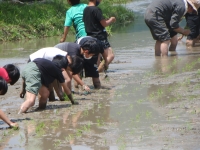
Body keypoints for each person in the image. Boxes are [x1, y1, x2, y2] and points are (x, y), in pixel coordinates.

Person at [19, 56, 83, 114]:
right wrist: (72, 101)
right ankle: (20, 114)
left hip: (28, 67)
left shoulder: (49, 64)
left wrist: (23, 90)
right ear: (63, 68)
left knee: (45, 93)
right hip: (34, 72)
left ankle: (41, 109)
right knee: (31, 101)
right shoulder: (58, 71)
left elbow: (27, 74)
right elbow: (66, 89)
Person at [83, 0, 115, 71]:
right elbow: (104, 24)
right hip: (100, 36)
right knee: (110, 55)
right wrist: (111, 19)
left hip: (90, 37)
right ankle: (100, 70)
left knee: (97, 58)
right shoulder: (96, 10)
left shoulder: (85, 10)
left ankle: (96, 74)